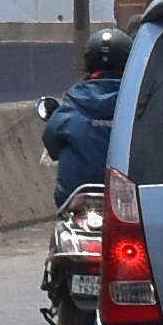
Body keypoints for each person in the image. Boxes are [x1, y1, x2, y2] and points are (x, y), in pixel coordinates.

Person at [40, 29, 132, 209]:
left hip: (75, 200)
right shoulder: (139, 101)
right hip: (128, 203)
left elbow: (51, 141)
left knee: (61, 235)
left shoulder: (73, 102)